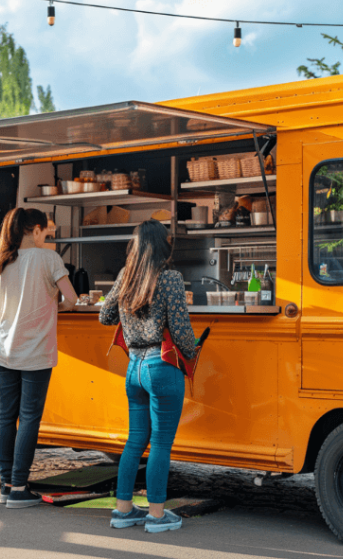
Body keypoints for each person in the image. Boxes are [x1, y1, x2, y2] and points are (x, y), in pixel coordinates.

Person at [99, 220, 197, 533]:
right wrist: (193, 351)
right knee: (161, 445)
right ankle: (156, 516)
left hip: (134, 369)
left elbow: (105, 315)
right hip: (161, 367)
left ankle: (123, 511)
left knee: (135, 441)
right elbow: (180, 330)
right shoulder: (170, 278)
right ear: (162, 245)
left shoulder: (125, 275)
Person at [0, 208, 76, 509]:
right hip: (36, 352)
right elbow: (72, 299)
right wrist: (53, 304)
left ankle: (7, 486)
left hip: (3, 351)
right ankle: (20, 488)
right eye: (45, 231)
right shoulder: (49, 259)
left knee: (6, 415)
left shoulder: (1, 260)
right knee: (29, 417)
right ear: (34, 230)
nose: (47, 236)